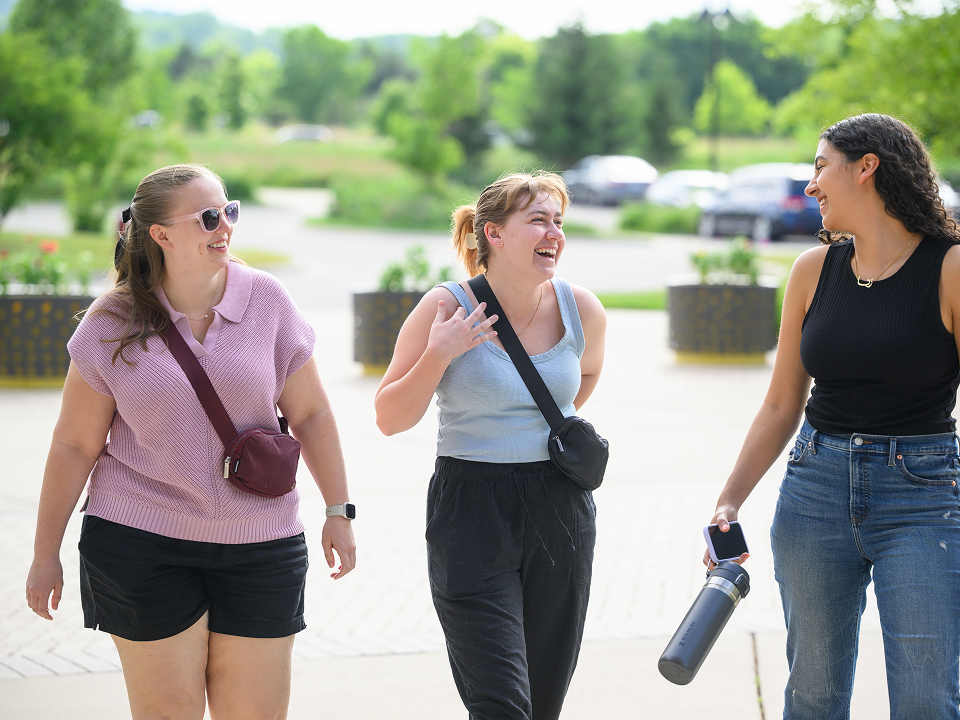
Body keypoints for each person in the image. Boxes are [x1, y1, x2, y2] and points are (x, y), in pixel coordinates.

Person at [25, 164, 356, 719]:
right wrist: (43, 554)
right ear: (161, 234)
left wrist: (339, 510)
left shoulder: (267, 301)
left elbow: (314, 413)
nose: (224, 225)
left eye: (230, 211)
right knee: (167, 713)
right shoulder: (113, 320)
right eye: (208, 216)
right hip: (141, 543)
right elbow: (74, 447)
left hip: (261, 544)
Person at [707, 113, 960, 719]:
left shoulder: (950, 269)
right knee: (814, 697)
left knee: (928, 699)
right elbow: (780, 402)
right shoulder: (811, 272)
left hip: (923, 497)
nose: (811, 185)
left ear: (866, 167)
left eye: (821, 166)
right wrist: (729, 500)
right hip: (814, 490)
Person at [374, 171, 606, 720]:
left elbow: (583, 383)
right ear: (494, 234)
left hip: (559, 508)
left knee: (542, 703)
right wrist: (440, 353)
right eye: (537, 220)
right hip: (471, 507)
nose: (554, 232)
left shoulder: (582, 309)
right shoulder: (445, 308)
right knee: (501, 704)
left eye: (558, 221)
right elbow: (388, 417)